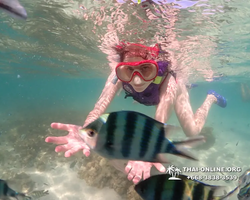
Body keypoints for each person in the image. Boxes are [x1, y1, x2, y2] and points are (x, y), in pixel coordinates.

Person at [45, 42, 227, 184]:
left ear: (155, 66)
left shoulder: (169, 84)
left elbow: (159, 123)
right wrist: (85, 131)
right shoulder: (116, 76)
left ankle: (210, 98)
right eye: (129, 70)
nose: (137, 79)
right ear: (121, 68)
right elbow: (98, 108)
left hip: (172, 91)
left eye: (146, 69)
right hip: (149, 95)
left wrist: (148, 152)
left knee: (193, 132)